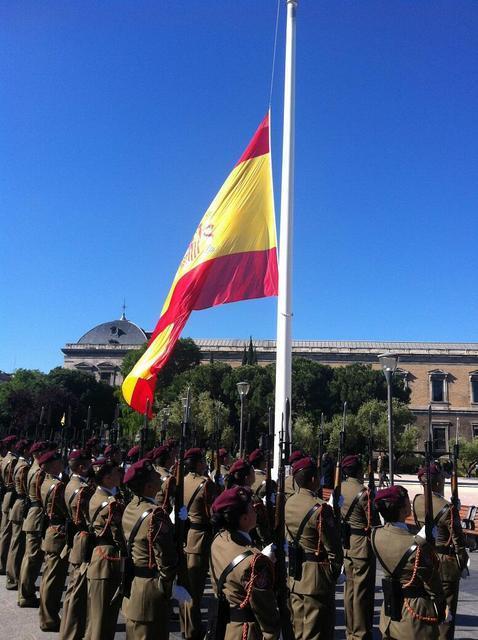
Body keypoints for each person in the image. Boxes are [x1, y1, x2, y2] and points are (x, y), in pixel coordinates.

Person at [372, 485, 445, 640]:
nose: (410, 503)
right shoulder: (416, 546)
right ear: (402, 510)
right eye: (407, 502)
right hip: (414, 615)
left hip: (390, 612)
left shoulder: (375, 535)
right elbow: (432, 583)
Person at [209, 485, 281, 640]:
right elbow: (266, 613)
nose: (255, 511)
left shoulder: (218, 540)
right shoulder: (255, 562)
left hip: (225, 628)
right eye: (251, 508)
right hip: (247, 632)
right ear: (244, 519)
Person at [285, 456, 343, 640]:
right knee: (318, 633)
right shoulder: (320, 509)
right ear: (313, 480)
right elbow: (334, 549)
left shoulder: (289, 502)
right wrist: (332, 575)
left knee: (299, 631)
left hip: (296, 576)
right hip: (317, 580)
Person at [122, 458, 181, 640]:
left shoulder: (131, 507)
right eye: (157, 479)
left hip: (134, 587)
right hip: (150, 592)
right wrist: (170, 583)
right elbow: (165, 558)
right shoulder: (155, 515)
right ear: (148, 487)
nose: (161, 482)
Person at [412, 462, 469, 640]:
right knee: (446, 613)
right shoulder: (447, 509)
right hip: (445, 562)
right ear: (437, 482)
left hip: (424, 558)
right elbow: (459, 541)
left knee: (429, 608)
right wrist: (461, 563)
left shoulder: (416, 501)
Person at [340, 454, 380, 640]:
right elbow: (373, 522)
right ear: (359, 470)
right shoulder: (364, 493)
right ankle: (361, 632)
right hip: (362, 546)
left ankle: (351, 630)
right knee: (362, 593)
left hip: (347, 545)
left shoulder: (339, 488)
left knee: (349, 591)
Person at [180, 447, 219, 640]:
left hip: (186, 535)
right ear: (197, 464)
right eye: (203, 461)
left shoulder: (181, 480)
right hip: (200, 538)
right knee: (195, 589)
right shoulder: (205, 485)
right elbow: (213, 513)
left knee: (187, 586)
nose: (205, 463)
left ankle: (186, 626)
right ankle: (193, 631)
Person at [85, 459, 125, 640]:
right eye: (117, 473)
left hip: (100, 554)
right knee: (103, 616)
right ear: (108, 478)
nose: (120, 475)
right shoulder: (110, 504)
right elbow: (120, 535)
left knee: (99, 615)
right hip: (107, 560)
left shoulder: (98, 495)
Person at [59, 449, 94, 640]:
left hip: (76, 536)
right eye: (88, 464)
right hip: (82, 538)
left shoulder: (70, 484)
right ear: (82, 467)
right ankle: (71, 634)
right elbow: (89, 518)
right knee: (77, 592)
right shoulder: (83, 489)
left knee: (74, 589)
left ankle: (68, 631)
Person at [38, 449, 69, 632]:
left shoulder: (47, 482)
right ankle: (48, 619)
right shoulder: (57, 486)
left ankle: (47, 616)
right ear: (52, 465)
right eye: (58, 462)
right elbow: (64, 509)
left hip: (52, 531)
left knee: (51, 577)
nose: (62, 464)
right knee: (53, 579)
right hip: (57, 534)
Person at [18, 440, 50, 607]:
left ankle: (25, 592)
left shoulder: (33, 468)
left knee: (30, 557)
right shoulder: (39, 472)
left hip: (33, 512)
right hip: (36, 514)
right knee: (32, 558)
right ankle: (26, 594)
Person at [5, 439, 30, 590]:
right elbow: (24, 488)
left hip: (17, 502)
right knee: (17, 544)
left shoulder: (19, 464)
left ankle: (12, 577)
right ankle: (13, 578)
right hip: (20, 504)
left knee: (15, 542)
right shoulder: (23, 466)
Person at [0, 435, 18, 574]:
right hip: (11, 494)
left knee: (4, 531)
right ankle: (2, 563)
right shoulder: (12, 460)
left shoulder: (5, 458)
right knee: (6, 532)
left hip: (7, 494)